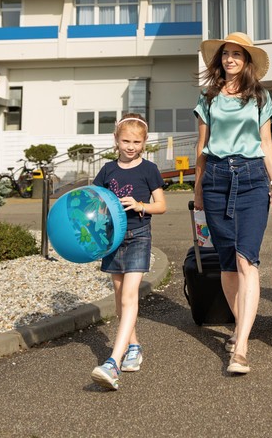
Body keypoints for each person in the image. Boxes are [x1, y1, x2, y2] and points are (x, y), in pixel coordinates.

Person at [193, 32, 272, 375]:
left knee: (247, 259)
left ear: (246, 62)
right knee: (228, 264)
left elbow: (266, 144)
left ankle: (241, 346)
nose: (230, 59)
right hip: (215, 179)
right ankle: (240, 324)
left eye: (237, 55)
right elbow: (201, 147)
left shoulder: (259, 96)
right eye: (226, 54)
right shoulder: (208, 97)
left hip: (252, 179)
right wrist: (198, 189)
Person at [90, 113, 167, 391]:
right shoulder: (108, 170)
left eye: (136, 142)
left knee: (130, 296)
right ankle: (134, 346)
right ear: (116, 140)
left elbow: (161, 206)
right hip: (113, 240)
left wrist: (140, 205)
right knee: (120, 296)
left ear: (144, 142)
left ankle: (113, 361)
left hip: (139, 237)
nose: (131, 147)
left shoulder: (149, 169)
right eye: (125, 141)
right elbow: (94, 201)